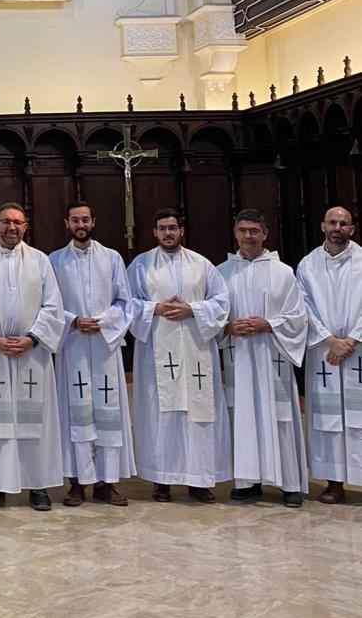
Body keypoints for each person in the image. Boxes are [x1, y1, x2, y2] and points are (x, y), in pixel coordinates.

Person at [0, 202, 65, 511]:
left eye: (18, 222)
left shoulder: (40, 261)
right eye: (6, 222)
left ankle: (38, 486)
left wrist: (33, 339)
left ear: (25, 227)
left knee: (35, 420)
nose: (12, 228)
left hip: (32, 354)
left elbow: (53, 306)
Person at [127, 209, 230, 503]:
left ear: (181, 230)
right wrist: (155, 309)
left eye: (172, 227)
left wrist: (193, 310)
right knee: (162, 414)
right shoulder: (140, 265)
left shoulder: (202, 264)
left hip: (196, 349)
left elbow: (222, 303)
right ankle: (162, 479)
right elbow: (127, 303)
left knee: (198, 413)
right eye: (162, 228)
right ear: (154, 232)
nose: (168, 233)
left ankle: (198, 479)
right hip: (157, 351)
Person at [218, 209, 308, 508]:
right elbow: (214, 315)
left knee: (280, 417)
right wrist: (228, 326)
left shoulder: (283, 272)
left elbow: (298, 315)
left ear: (265, 234)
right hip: (239, 356)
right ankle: (247, 480)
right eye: (243, 230)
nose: (248, 236)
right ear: (235, 233)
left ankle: (290, 484)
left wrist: (268, 324)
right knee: (242, 416)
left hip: (273, 354)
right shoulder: (221, 272)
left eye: (254, 231)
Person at [49, 202, 135, 507]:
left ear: (93, 222)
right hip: (72, 344)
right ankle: (77, 482)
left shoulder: (111, 258)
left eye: (85, 219)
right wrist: (73, 320)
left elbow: (125, 301)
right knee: (76, 412)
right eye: (75, 220)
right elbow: (49, 303)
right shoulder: (55, 260)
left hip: (103, 345)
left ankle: (107, 482)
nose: (80, 224)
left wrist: (103, 321)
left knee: (107, 413)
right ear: (67, 224)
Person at [296, 205, 362, 504]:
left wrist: (352, 339)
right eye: (333, 222)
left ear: (352, 228)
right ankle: (333, 482)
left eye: (344, 223)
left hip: (358, 350)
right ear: (323, 226)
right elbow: (303, 307)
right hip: (324, 351)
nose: (338, 228)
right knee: (328, 417)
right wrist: (328, 340)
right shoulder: (308, 265)